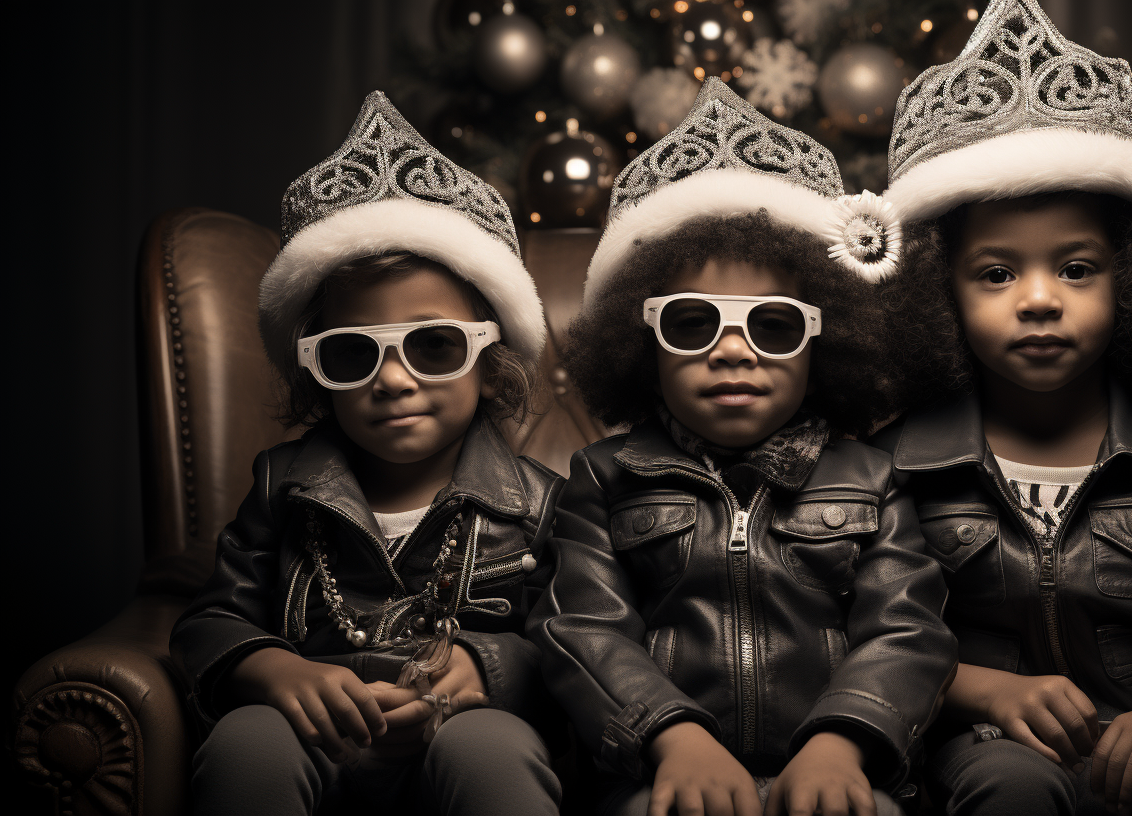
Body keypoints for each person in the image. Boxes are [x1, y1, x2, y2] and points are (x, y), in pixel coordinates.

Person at [870, 2, 1132, 814]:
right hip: (989, 744)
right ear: (940, 295)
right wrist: (989, 694)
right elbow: (880, 632)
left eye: (1076, 269)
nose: (1039, 301)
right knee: (1007, 792)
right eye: (997, 274)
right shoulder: (902, 460)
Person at [526, 79, 956, 816]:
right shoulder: (603, 478)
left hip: (841, 772)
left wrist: (843, 740)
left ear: (826, 340)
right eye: (692, 324)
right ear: (640, 340)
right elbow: (582, 631)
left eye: (774, 326)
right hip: (660, 774)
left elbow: (908, 631)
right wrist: (671, 737)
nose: (733, 352)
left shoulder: (873, 480)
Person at [171, 92, 563, 816]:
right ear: (316, 373)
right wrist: (274, 670)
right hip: (315, 736)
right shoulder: (280, 488)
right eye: (353, 353)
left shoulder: (540, 505)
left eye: (435, 345)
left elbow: (574, 644)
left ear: (489, 361)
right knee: (249, 740)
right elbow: (208, 620)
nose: (392, 379)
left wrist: (486, 665)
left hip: (458, 736)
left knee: (494, 750)